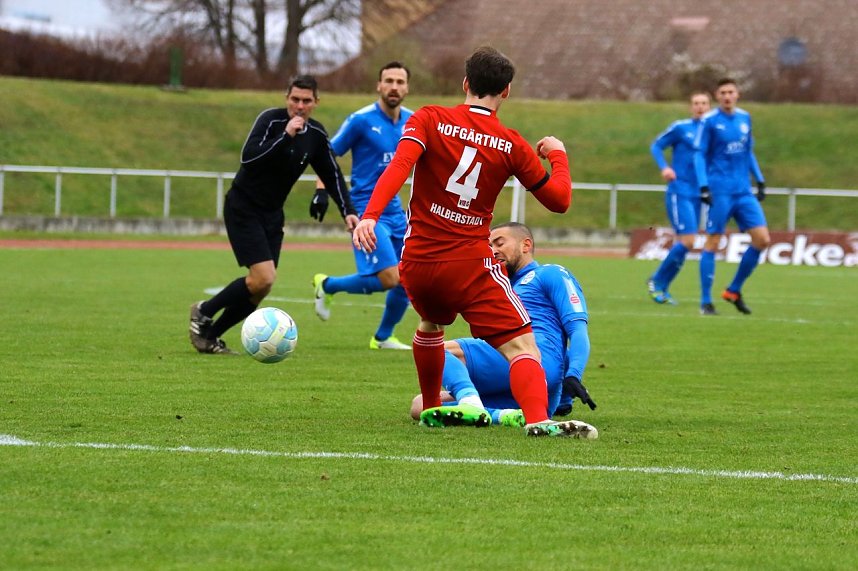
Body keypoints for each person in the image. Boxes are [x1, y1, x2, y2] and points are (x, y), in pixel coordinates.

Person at [353, 46, 597, 438]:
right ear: (507, 92)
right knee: (523, 348)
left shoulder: (429, 118)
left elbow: (400, 166)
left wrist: (370, 216)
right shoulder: (512, 144)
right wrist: (559, 156)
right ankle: (538, 420)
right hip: (469, 263)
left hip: (417, 262)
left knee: (431, 325)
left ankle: (433, 405)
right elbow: (559, 201)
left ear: (465, 83)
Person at [189, 75, 359, 354]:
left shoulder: (316, 134)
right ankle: (203, 310)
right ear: (286, 99)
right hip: (243, 206)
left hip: (272, 214)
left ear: (316, 102)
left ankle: (209, 336)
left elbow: (332, 174)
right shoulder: (271, 121)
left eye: (306, 101)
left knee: (261, 288)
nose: (300, 106)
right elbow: (250, 158)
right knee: (263, 277)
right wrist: (286, 136)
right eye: (295, 99)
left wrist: (348, 212)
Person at [408, 222, 597, 426]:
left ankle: (471, 401)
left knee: (441, 350)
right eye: (489, 246)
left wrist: (573, 375)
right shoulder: (500, 286)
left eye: (499, 243)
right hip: (522, 378)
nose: (494, 251)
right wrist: (563, 398)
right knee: (421, 407)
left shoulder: (549, 273)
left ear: (526, 245)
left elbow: (577, 329)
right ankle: (505, 415)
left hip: (533, 359)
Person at [312, 61, 413, 350]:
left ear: (407, 87)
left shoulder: (413, 121)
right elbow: (327, 157)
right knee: (388, 277)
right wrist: (322, 191)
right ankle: (328, 285)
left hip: (394, 209)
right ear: (379, 85)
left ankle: (382, 337)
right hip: (365, 208)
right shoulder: (360, 120)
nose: (394, 86)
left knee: (408, 277)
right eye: (389, 80)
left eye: (400, 81)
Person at [694, 78, 771, 316]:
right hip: (720, 190)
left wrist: (759, 179)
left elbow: (748, 153)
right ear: (718, 97)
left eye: (731, 92)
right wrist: (704, 187)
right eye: (723, 92)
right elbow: (698, 155)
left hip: (743, 191)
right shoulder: (709, 122)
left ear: (737, 95)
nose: (728, 96)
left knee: (762, 240)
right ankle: (706, 301)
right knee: (713, 241)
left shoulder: (744, 118)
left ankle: (733, 290)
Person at [646, 91, 711, 304]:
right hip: (679, 190)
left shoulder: (713, 132)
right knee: (688, 240)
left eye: (704, 103)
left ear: (709, 106)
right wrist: (665, 167)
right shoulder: (681, 128)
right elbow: (656, 145)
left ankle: (662, 285)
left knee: (688, 242)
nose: (700, 107)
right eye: (696, 103)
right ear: (691, 107)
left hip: (699, 193)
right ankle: (656, 281)